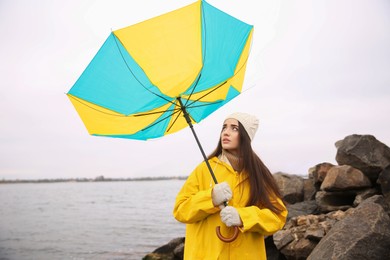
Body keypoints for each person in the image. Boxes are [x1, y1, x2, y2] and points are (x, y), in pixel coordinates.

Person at [173, 112, 288, 259]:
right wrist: (211, 198)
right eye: (224, 127)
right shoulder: (204, 169)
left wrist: (243, 217)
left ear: (246, 136)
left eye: (234, 128)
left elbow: (277, 216)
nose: (226, 132)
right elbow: (180, 210)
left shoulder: (257, 174)